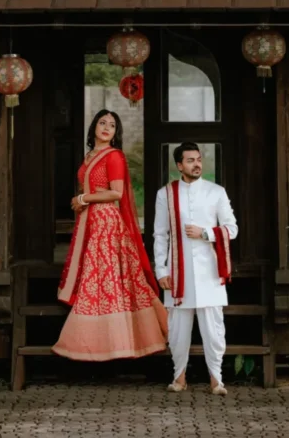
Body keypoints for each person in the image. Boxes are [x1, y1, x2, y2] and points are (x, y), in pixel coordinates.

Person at [53, 109, 167, 361]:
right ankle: (101, 339)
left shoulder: (114, 156)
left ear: (116, 133)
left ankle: (118, 340)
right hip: (90, 220)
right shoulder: (89, 156)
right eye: (102, 123)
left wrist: (84, 198)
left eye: (112, 125)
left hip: (106, 222)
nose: (106, 128)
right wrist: (82, 202)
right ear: (94, 126)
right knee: (98, 278)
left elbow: (116, 193)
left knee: (105, 278)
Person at [153, 142, 238, 395]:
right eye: (190, 160)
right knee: (178, 329)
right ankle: (179, 378)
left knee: (213, 328)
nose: (196, 164)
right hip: (178, 272)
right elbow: (160, 234)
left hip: (210, 271)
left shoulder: (216, 192)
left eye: (199, 159)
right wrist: (161, 270)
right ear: (179, 165)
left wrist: (205, 233)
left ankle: (216, 380)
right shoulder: (165, 194)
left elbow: (232, 229)